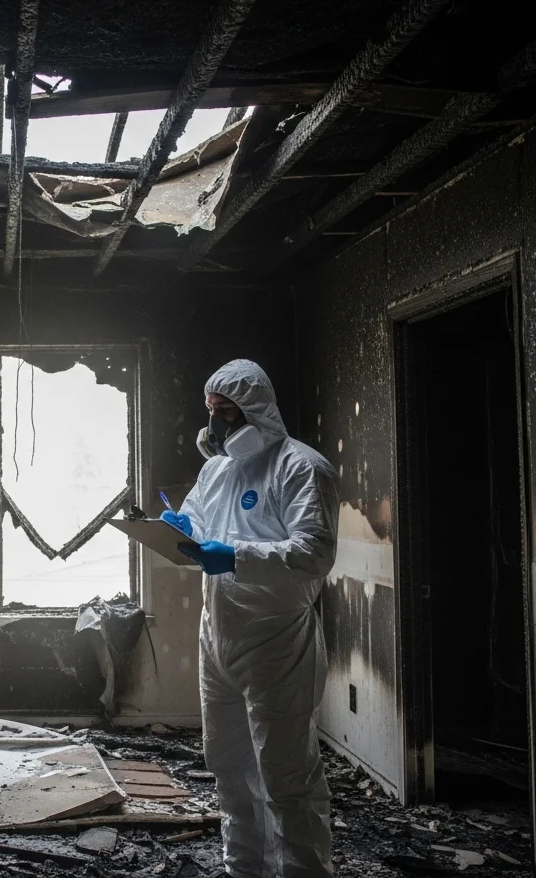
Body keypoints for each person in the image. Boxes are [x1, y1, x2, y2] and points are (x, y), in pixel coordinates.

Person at [161, 359, 340, 878]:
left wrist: (236, 555)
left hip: (277, 642)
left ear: (256, 411)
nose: (214, 425)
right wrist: (179, 528)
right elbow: (196, 516)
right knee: (229, 769)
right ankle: (245, 869)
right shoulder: (216, 469)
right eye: (210, 411)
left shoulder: (301, 467)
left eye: (226, 412)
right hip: (218, 637)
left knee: (286, 777)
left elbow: (313, 553)